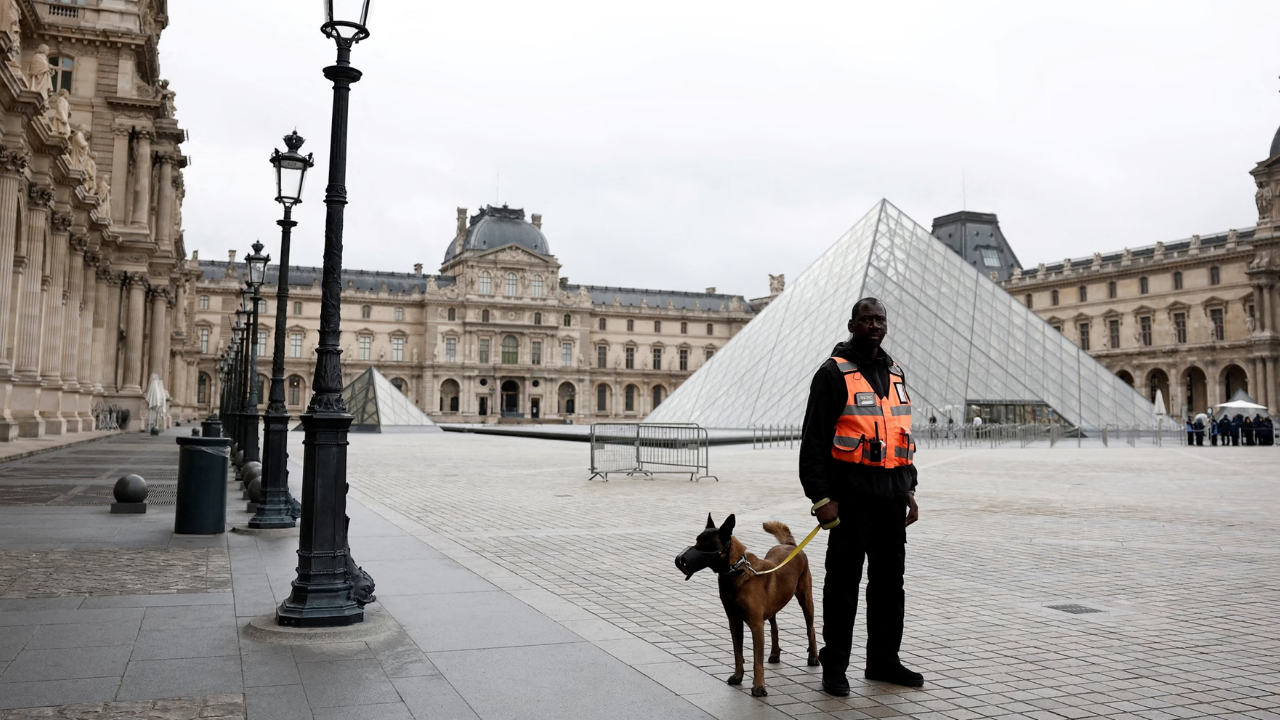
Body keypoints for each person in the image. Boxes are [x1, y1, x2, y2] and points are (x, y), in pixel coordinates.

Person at [800, 297, 923, 694]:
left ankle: (884, 662)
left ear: (886, 326)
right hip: (850, 500)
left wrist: (911, 489)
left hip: (891, 498)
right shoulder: (833, 373)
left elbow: (900, 435)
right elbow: (814, 441)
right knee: (843, 586)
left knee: (890, 586)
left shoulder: (896, 372)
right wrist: (821, 498)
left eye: (880, 319)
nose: (874, 325)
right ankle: (834, 667)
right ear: (851, 325)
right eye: (866, 319)